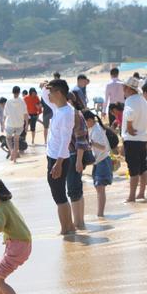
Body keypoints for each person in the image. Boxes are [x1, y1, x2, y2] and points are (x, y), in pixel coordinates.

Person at [40, 79, 76, 234]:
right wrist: (44, 85)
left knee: (59, 196)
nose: (49, 95)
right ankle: (70, 226)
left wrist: (59, 163)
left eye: (51, 92)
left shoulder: (66, 113)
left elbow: (65, 139)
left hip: (58, 159)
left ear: (59, 93)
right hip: (54, 157)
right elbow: (45, 96)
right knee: (61, 194)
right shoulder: (58, 108)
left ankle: (65, 229)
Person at [122, 77, 147, 202]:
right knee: (143, 167)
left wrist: (129, 126)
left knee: (133, 168)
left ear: (128, 89)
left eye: (124, 87)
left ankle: (131, 196)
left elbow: (129, 114)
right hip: (142, 137)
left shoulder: (130, 100)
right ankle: (141, 193)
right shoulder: (142, 99)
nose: (123, 90)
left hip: (132, 138)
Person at [66, 92, 91, 229]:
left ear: (69, 100)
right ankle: (80, 221)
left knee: (73, 190)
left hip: (74, 155)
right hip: (74, 155)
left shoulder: (74, 114)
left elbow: (81, 139)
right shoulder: (75, 113)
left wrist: (79, 160)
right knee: (77, 189)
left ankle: (79, 222)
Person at [83, 111, 113, 218]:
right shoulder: (94, 129)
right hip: (98, 161)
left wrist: (91, 143)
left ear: (90, 120)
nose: (84, 124)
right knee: (98, 187)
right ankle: (100, 213)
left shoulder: (97, 130)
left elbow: (103, 147)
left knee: (100, 188)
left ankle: (100, 213)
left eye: (84, 122)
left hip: (103, 160)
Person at [5, 86, 28, 163]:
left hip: (10, 123)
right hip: (20, 124)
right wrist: (27, 124)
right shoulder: (22, 101)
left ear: (12, 92)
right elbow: (25, 114)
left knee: (8, 138)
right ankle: (14, 158)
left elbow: (6, 114)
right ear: (19, 92)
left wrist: (2, 124)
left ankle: (11, 151)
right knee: (16, 141)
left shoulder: (8, 102)